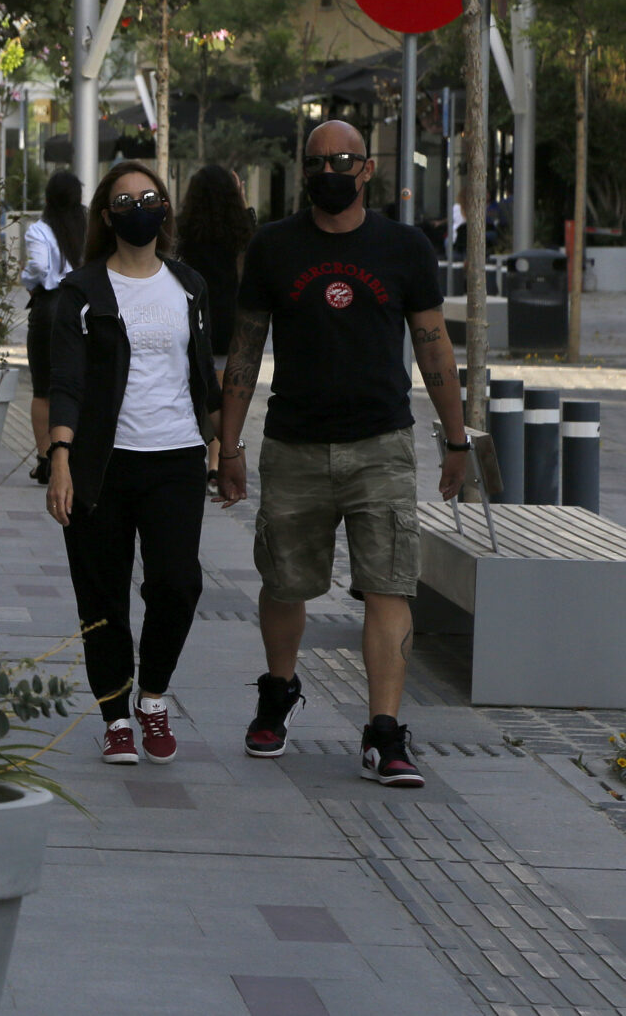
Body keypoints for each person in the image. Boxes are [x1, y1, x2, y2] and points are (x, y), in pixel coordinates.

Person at [218, 120, 467, 789]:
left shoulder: (404, 248)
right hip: (293, 445)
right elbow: (245, 349)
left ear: (367, 170)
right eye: (319, 159)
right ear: (305, 171)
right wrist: (229, 444)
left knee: (389, 583)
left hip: (380, 446)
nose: (331, 168)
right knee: (284, 581)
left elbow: (434, 347)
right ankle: (278, 690)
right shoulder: (273, 248)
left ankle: (384, 732)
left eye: (344, 159)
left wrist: (457, 436)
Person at [45, 162, 219, 766]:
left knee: (178, 583)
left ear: (165, 208)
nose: (138, 206)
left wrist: (222, 442)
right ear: (105, 215)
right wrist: (59, 456)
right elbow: (65, 381)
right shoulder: (83, 291)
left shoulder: (190, 286)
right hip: (103, 464)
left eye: (149, 197)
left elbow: (202, 375)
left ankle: (153, 696)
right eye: (125, 199)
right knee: (102, 596)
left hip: (176, 457)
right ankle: (117, 714)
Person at [177, 163, 255, 492]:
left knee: (203, 392)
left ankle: (207, 458)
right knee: (226, 396)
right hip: (233, 319)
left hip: (195, 316)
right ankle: (220, 459)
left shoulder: (186, 228)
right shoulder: (244, 227)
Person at [20, 171, 85, 486]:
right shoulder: (88, 230)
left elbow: (40, 268)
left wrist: (28, 282)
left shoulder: (39, 231)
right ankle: (74, 455)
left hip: (49, 308)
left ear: (47, 199)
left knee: (43, 387)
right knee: (78, 382)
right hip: (83, 307)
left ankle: (45, 459)